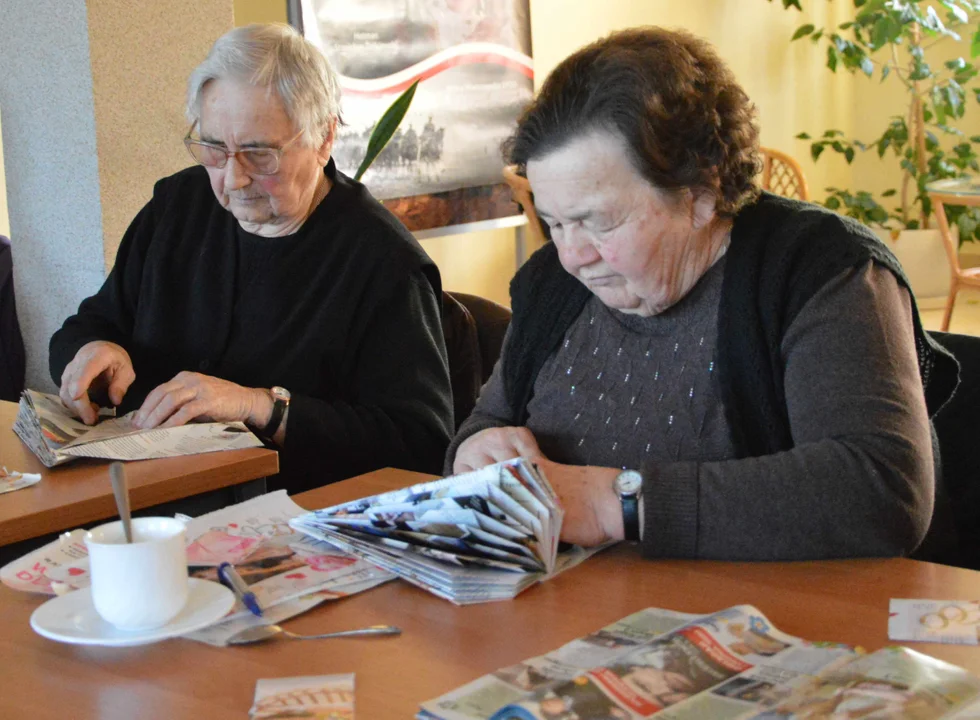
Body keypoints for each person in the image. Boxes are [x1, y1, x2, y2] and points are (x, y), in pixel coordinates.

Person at [446, 27, 959, 560]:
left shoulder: (818, 272)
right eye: (551, 221)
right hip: (574, 613)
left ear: (700, 194)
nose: (571, 255)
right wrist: (474, 452)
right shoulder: (550, 282)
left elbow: (881, 490)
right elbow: (487, 423)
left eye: (595, 222)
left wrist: (613, 506)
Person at [50, 23, 454, 493]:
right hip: (149, 495)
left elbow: (420, 444)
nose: (233, 179)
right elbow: (91, 324)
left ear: (324, 139)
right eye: (215, 148)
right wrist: (93, 353)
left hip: (295, 520)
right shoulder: (177, 207)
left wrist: (260, 406)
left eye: (259, 155)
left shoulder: (381, 263)